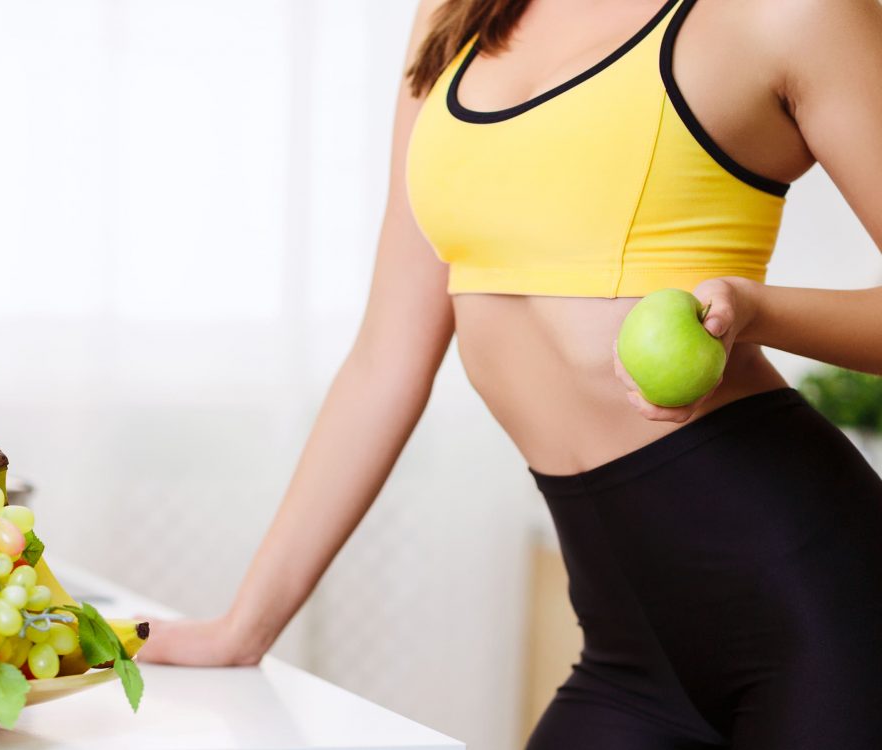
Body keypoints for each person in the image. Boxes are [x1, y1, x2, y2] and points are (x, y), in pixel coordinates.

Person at [135, 0, 882, 746]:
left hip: (819, 614)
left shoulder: (789, 15)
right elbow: (386, 358)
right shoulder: (457, 14)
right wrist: (243, 627)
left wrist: (758, 310)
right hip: (627, 651)